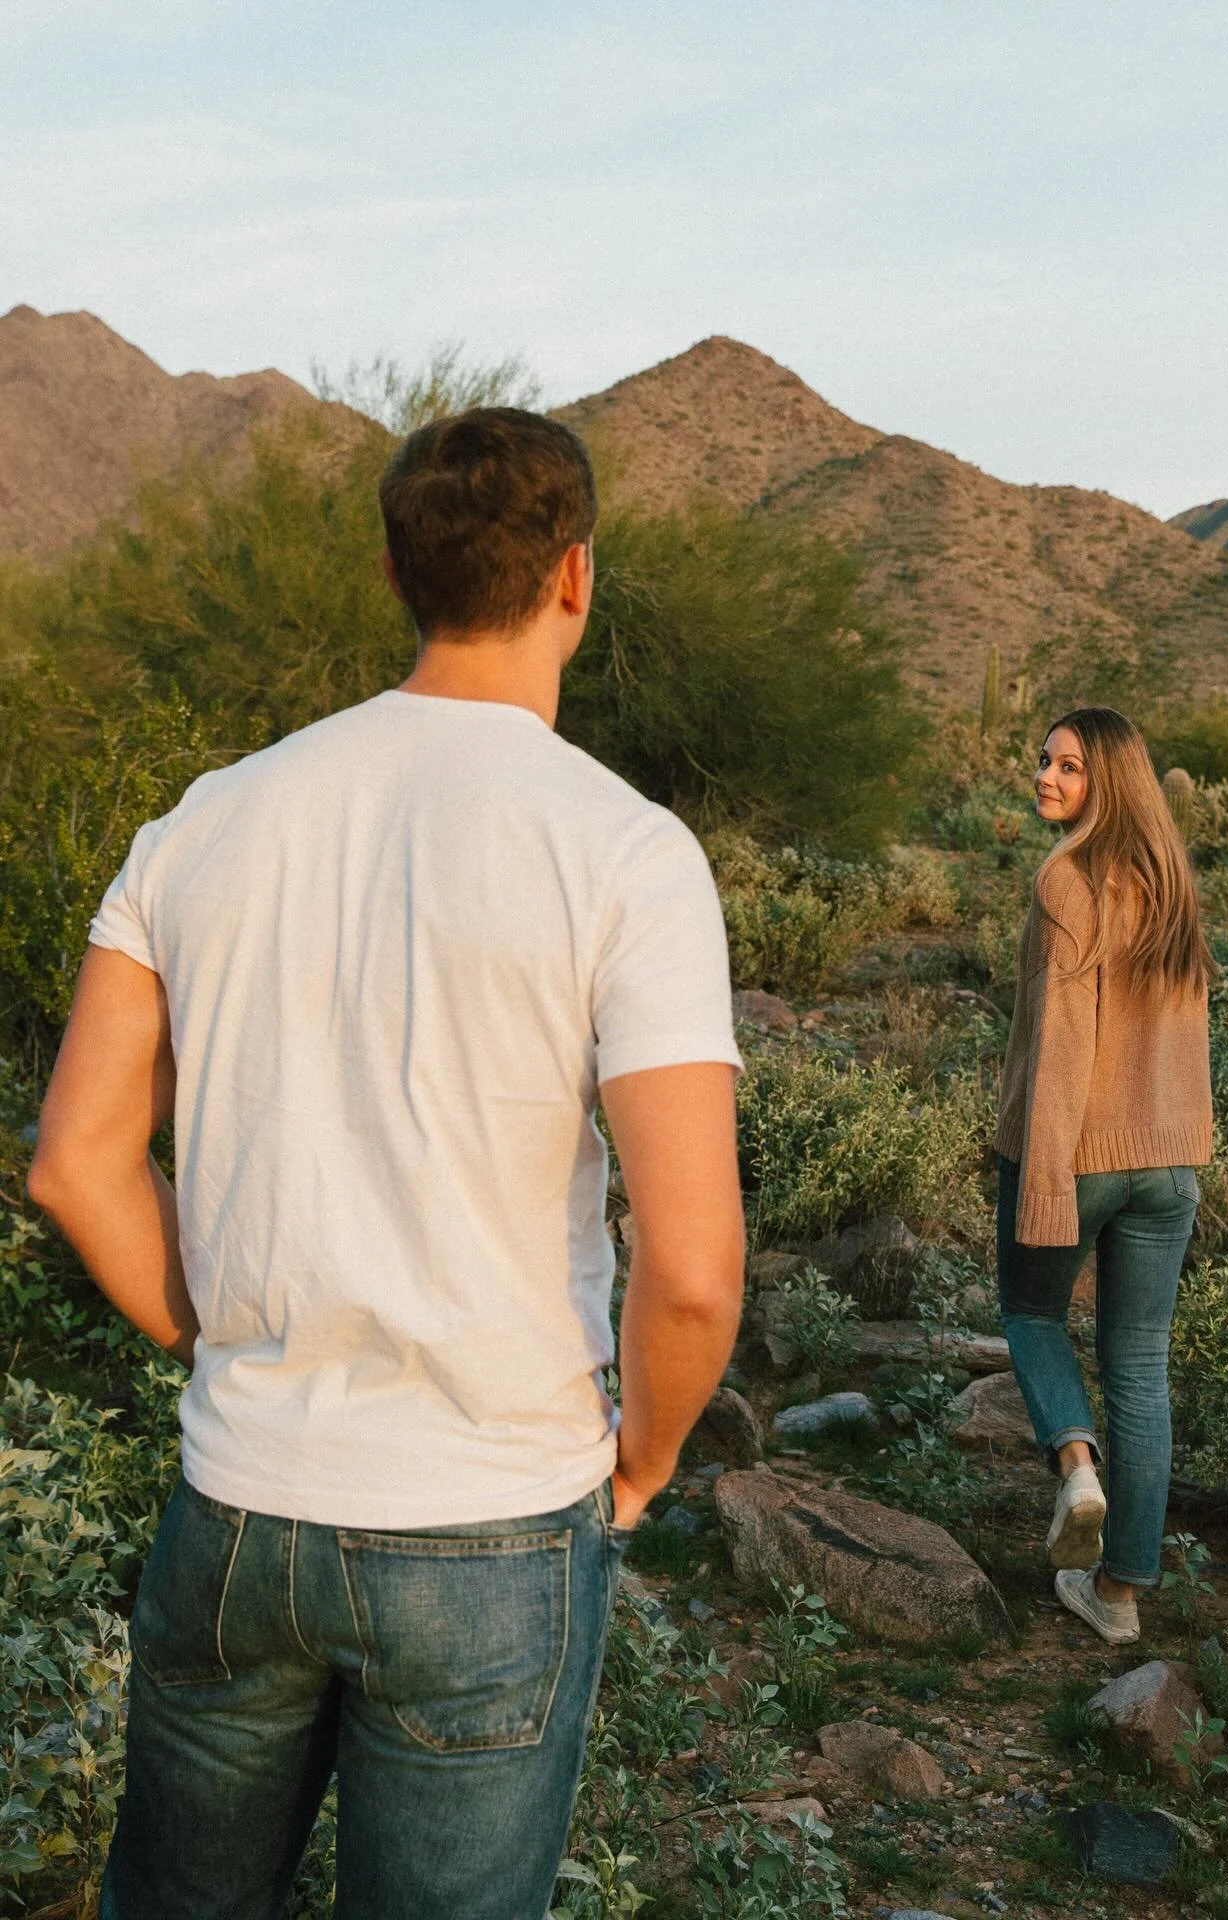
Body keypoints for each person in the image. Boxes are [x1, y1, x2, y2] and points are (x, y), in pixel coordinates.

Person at [27, 407, 747, 1919]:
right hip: (490, 1525)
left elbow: (77, 1166)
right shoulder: (624, 852)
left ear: (391, 571)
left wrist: (215, 1341)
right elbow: (690, 1268)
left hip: (238, 1509)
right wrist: (648, 1463)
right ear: (576, 578)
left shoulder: (201, 826)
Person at [993, 706, 1213, 1646]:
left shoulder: (1065, 881)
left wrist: (1044, 1177)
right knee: (1140, 1369)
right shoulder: (1169, 885)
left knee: (1031, 1313)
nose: (1045, 776)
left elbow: (1064, 1050)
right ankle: (1119, 1597)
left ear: (1108, 782)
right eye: (1044, 761)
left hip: (1079, 1155)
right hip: (1169, 1163)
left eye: (1070, 767)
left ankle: (1076, 1469)